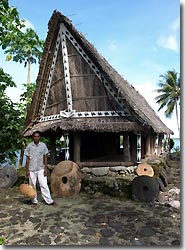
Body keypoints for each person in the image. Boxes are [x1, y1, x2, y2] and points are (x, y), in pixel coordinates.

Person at [25, 131, 55, 206]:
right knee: (32, 186)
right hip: (31, 169)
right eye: (35, 136)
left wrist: (45, 169)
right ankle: (34, 201)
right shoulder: (29, 146)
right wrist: (27, 170)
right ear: (33, 137)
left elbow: (45, 157)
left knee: (44, 184)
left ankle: (49, 200)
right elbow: (27, 159)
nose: (36, 138)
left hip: (41, 168)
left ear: (40, 137)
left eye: (38, 136)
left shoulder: (43, 145)